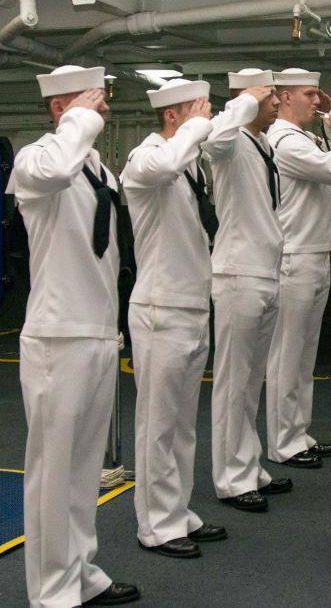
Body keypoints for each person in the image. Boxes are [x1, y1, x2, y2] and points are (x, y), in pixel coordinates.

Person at [7, 65, 139, 607]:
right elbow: (56, 168)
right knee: (53, 473)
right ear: (61, 109)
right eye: (91, 100)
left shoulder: (96, 166)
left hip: (97, 330)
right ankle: (51, 591)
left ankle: (80, 571)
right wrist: (77, 119)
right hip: (57, 335)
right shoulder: (37, 157)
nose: (103, 109)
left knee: (85, 470)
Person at [120, 79, 228, 559]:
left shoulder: (190, 167)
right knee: (157, 425)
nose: (207, 117)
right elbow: (163, 164)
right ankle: (156, 526)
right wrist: (199, 127)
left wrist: (199, 130)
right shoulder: (146, 158)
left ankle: (177, 511)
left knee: (183, 423)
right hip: (160, 308)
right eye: (198, 111)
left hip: (190, 303)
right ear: (171, 116)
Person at [203, 68, 293, 513]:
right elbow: (211, 140)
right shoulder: (231, 137)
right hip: (238, 273)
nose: (278, 101)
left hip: (264, 270)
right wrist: (241, 102)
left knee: (251, 382)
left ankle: (249, 465)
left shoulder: (259, 142)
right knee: (233, 383)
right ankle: (231, 479)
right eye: (270, 94)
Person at [265, 68, 331, 468]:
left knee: (304, 355)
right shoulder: (283, 140)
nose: (317, 100)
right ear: (285, 97)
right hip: (293, 256)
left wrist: (330, 123)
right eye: (308, 93)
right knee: (287, 356)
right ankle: (282, 442)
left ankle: (297, 432)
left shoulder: (303, 138)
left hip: (314, 253)